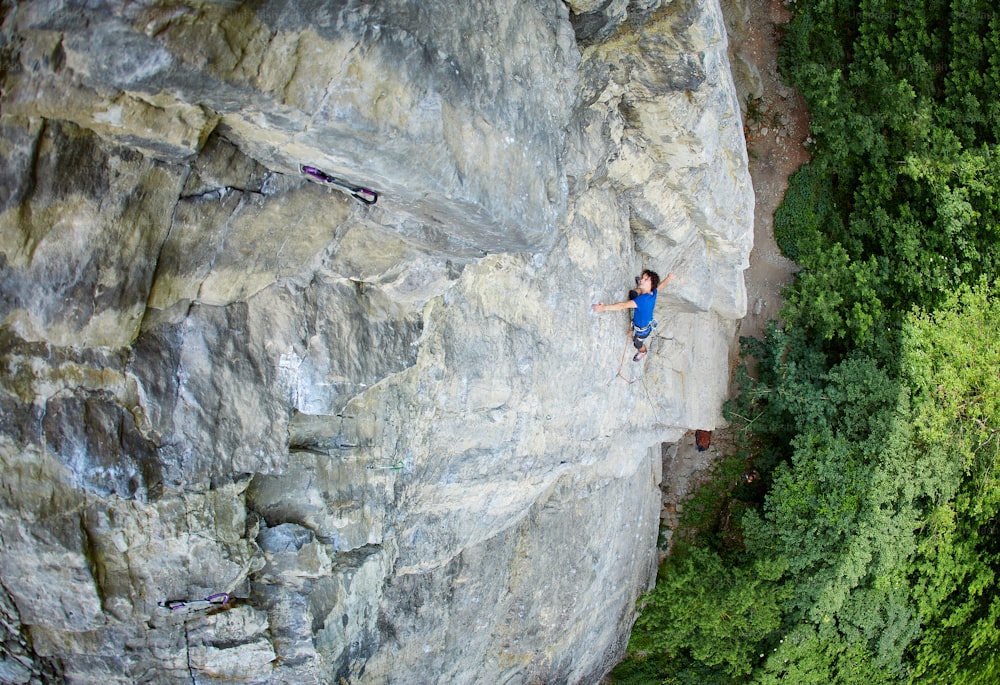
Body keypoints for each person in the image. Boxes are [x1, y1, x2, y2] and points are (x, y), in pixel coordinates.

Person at [592, 270, 675, 361]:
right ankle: (641, 289)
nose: (642, 280)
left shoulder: (642, 300)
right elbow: (660, 287)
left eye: (645, 279)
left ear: (651, 285)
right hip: (644, 318)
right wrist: (668, 278)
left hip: (642, 331)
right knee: (633, 293)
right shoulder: (653, 293)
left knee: (637, 344)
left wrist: (604, 308)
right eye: (642, 278)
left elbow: (622, 305)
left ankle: (643, 351)